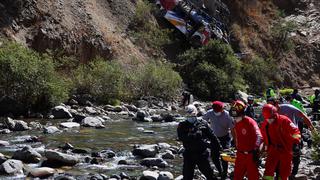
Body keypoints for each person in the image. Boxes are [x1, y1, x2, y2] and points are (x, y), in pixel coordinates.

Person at [177, 104, 222, 180]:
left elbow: (212, 136)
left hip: (202, 154)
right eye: (189, 115)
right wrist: (193, 135)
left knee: (209, 174)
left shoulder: (203, 123)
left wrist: (219, 146)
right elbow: (181, 137)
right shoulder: (182, 125)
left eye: (193, 115)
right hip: (189, 154)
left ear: (196, 113)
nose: (191, 117)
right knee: (187, 176)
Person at [260, 104, 301, 180]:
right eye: (267, 118)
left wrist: (295, 143)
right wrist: (260, 149)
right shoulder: (265, 124)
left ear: (275, 114)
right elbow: (262, 137)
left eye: (271, 118)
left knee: (284, 172)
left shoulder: (284, 120)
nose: (269, 120)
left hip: (286, 149)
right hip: (273, 149)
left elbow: (296, 132)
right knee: (268, 170)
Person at [230, 100, 263, 180]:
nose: (235, 118)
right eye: (234, 117)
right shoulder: (236, 122)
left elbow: (259, 136)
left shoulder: (250, 122)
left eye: (236, 116)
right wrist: (235, 144)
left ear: (242, 113)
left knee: (253, 176)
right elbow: (235, 133)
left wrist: (256, 149)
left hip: (251, 154)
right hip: (240, 154)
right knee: (237, 176)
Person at [203, 101, 235, 178]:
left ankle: (225, 172)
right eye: (216, 111)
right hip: (214, 138)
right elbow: (203, 121)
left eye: (220, 110)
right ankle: (220, 171)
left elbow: (232, 129)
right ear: (213, 109)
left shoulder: (227, 115)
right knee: (214, 156)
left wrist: (235, 140)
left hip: (225, 137)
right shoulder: (210, 113)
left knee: (224, 156)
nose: (218, 112)